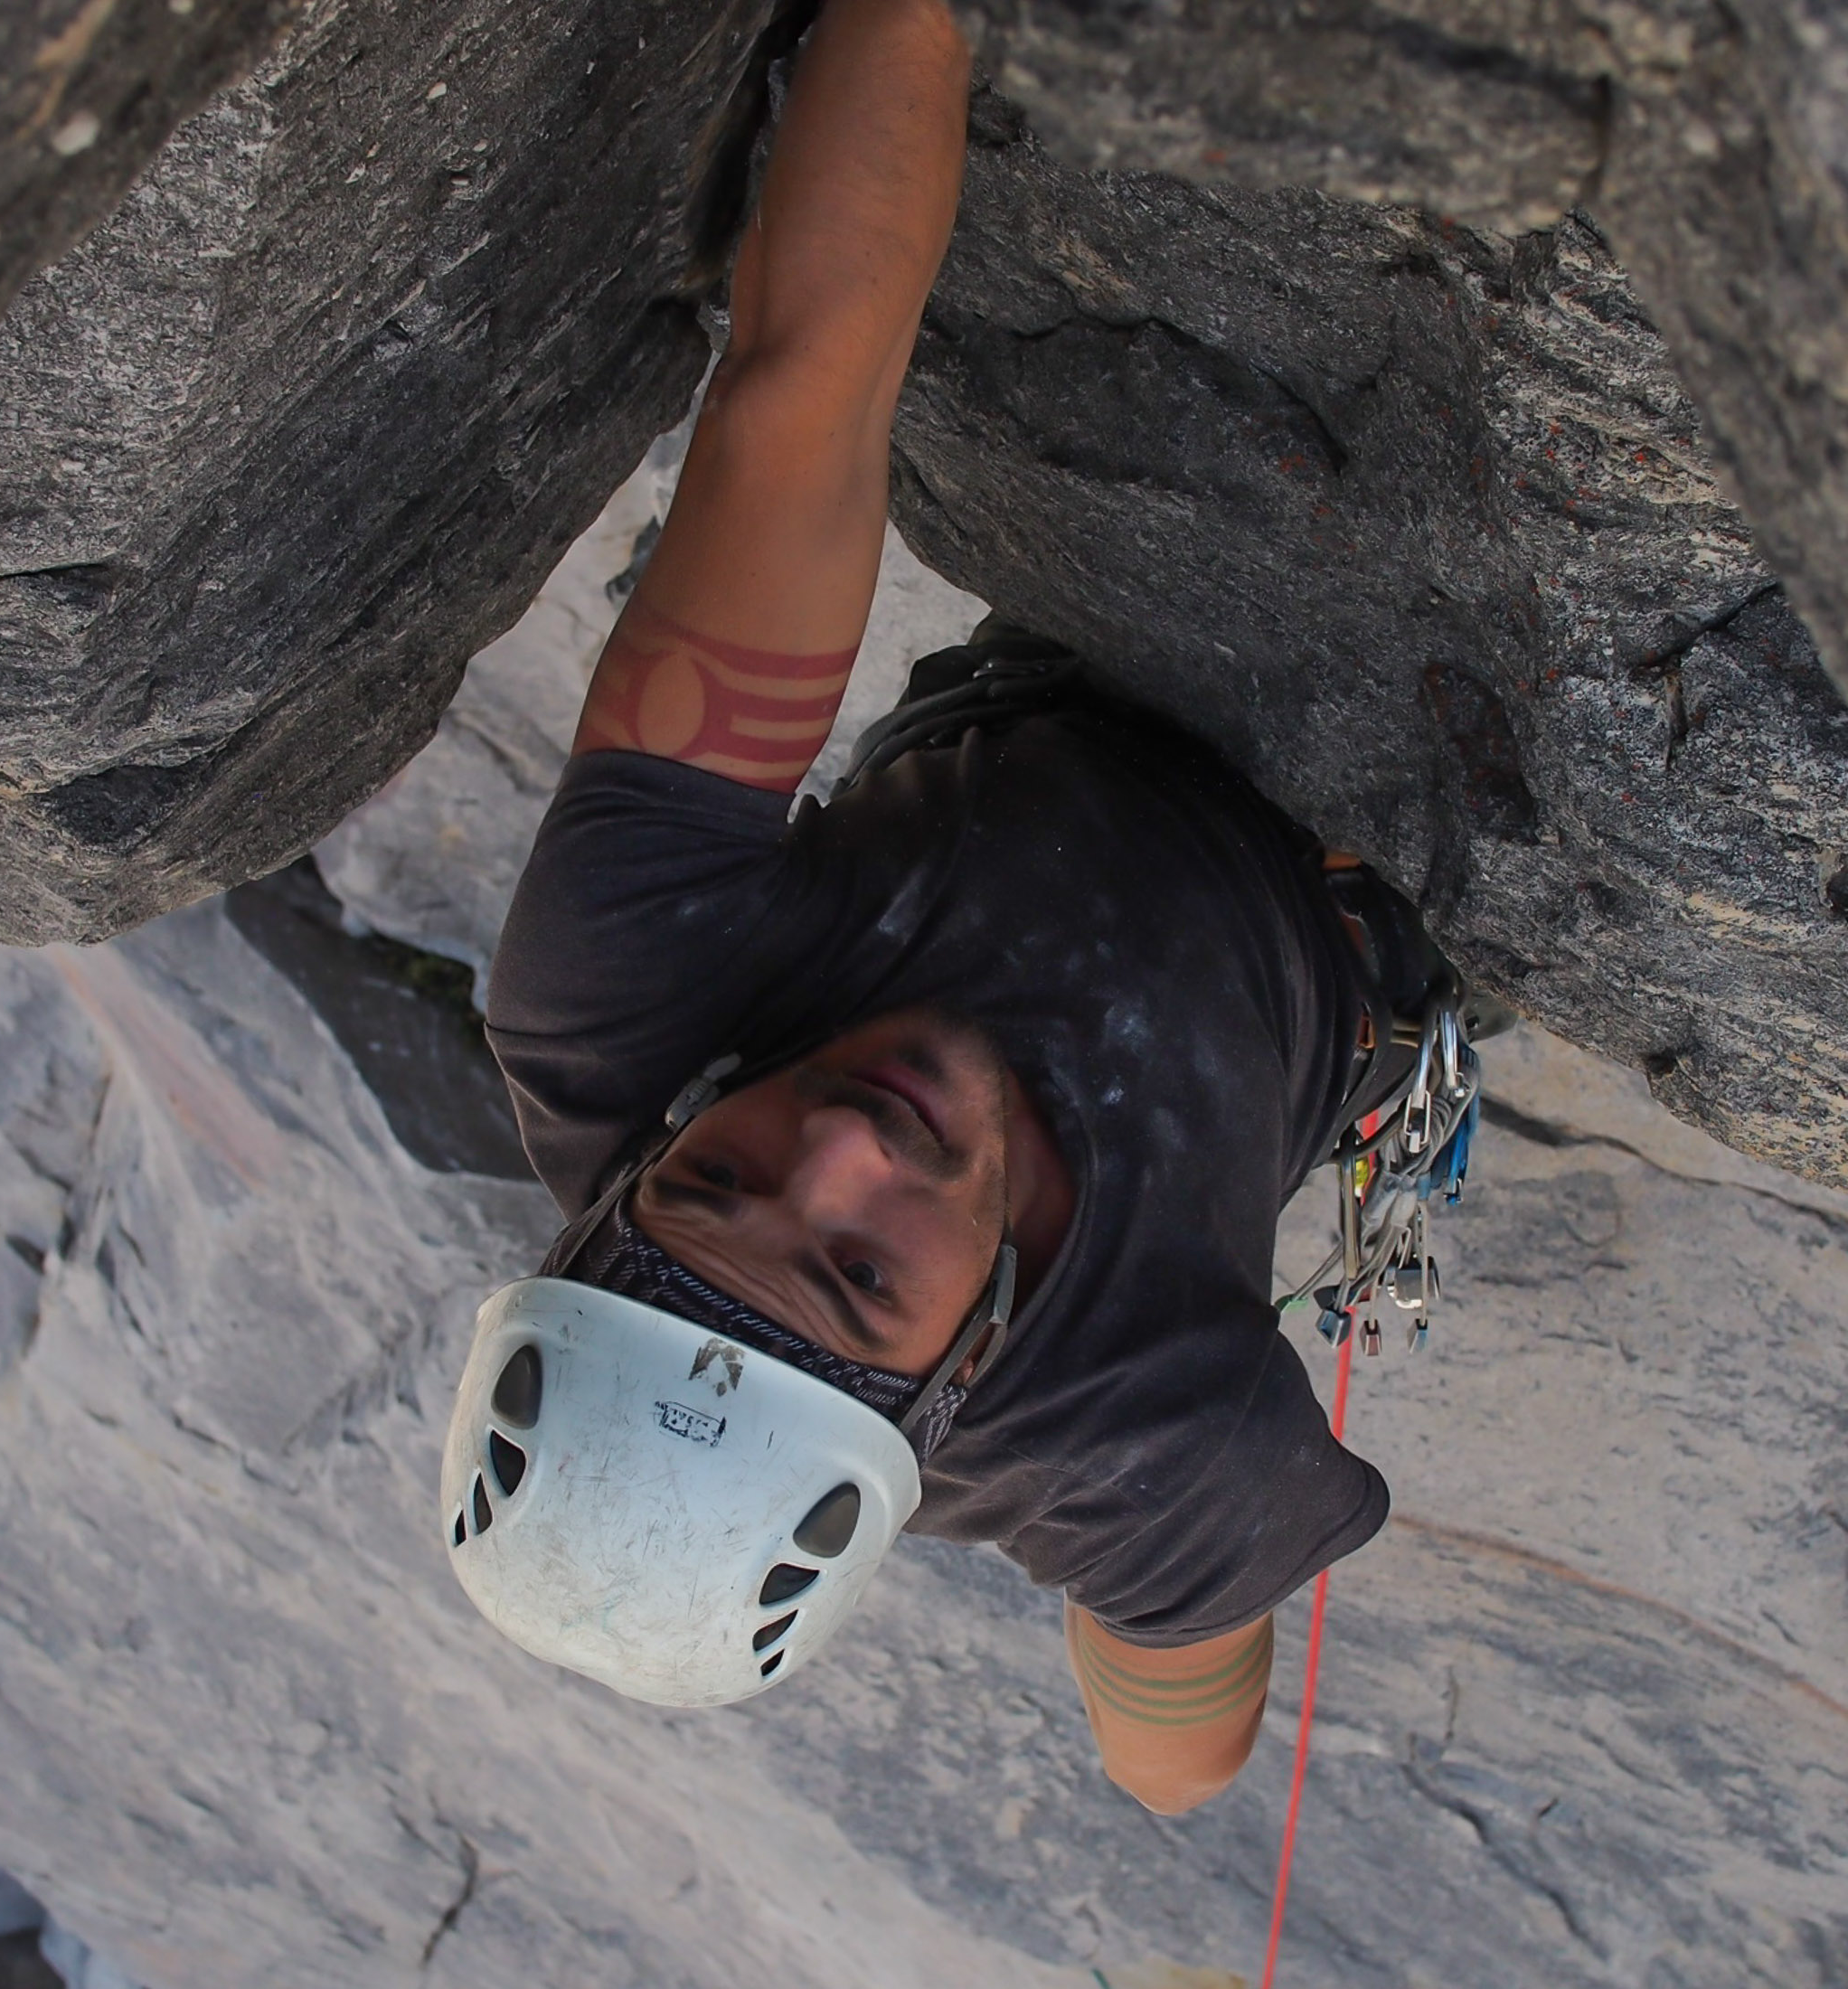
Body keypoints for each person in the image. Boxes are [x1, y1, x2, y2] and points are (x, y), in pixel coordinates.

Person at [441, 0, 1443, 1816]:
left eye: (712, 1178)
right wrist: (1144, 1617)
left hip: (1054, 685)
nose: (832, 1147)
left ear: (629, 1167)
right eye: (854, 1271)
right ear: (952, 1381)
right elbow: (1171, 1756)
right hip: (1371, 911)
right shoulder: (1136, 1459)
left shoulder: (606, 1000)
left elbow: (795, 400)